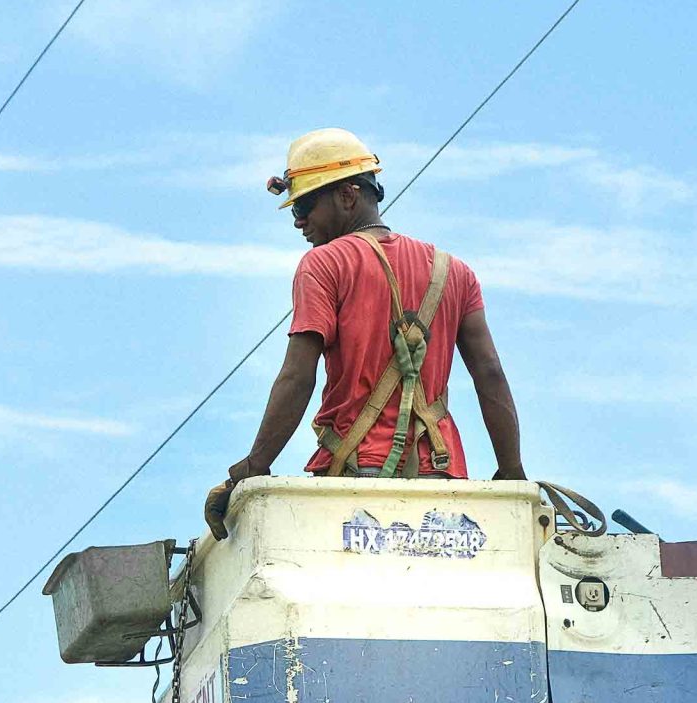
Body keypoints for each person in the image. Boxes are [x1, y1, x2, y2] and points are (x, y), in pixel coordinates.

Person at [204, 128, 526, 539]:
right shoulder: (454, 271)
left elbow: (298, 376)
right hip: (441, 481)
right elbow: (490, 374)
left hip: (355, 481)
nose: (299, 221)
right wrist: (512, 473)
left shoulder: (323, 264)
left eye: (305, 205)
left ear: (347, 196)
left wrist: (254, 466)